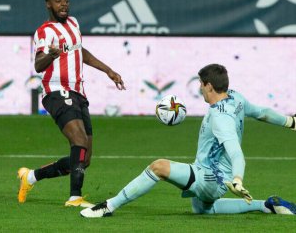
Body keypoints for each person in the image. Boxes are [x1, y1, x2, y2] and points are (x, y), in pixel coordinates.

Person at [81, 63, 296, 217]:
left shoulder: (221, 118)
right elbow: (261, 112)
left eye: (201, 84)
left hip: (211, 177)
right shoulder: (235, 97)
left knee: (159, 167)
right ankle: (267, 205)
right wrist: (290, 122)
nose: (200, 88)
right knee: (202, 210)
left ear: (209, 85)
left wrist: (238, 179)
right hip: (214, 174)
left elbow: (235, 152)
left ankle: (108, 206)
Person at [17, 0, 125, 207]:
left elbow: (79, 51)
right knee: (78, 141)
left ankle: (31, 177)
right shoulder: (45, 32)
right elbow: (38, 65)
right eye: (59, 0)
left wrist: (108, 70)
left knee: (84, 159)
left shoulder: (74, 23)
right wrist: (50, 56)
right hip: (56, 90)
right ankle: (75, 197)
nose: (64, 4)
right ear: (49, 4)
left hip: (78, 92)